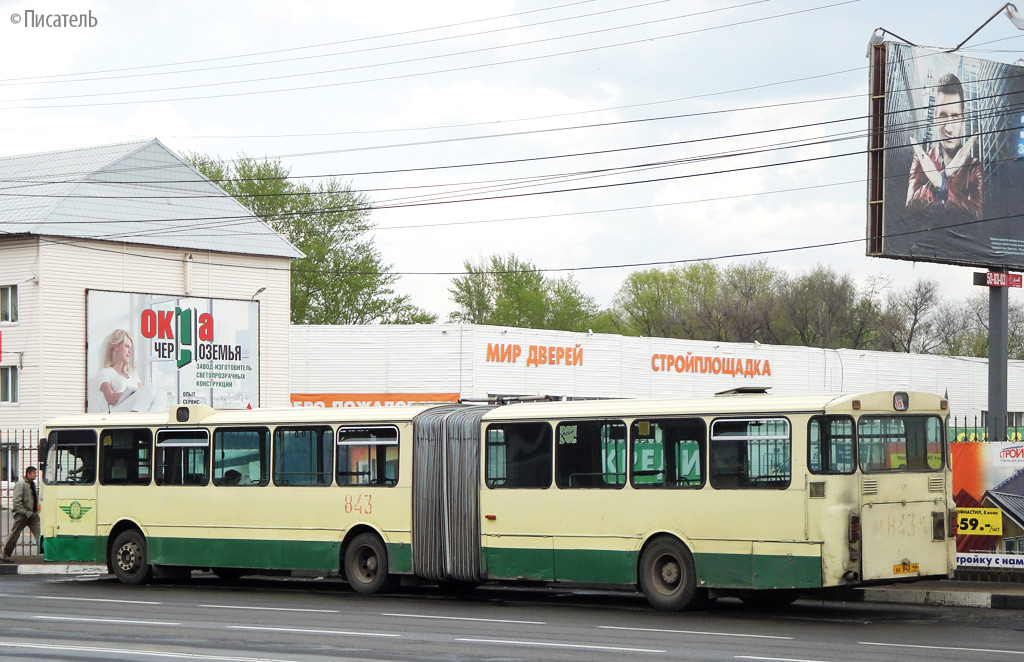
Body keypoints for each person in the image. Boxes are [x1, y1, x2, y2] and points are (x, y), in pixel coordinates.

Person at [906, 72, 983, 221]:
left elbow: (977, 216)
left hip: (961, 244)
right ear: (935, 116)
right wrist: (947, 173)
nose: (948, 128)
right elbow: (910, 206)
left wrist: (940, 182)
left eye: (954, 116)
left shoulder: (974, 167)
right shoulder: (921, 159)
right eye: (943, 115)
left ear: (963, 118)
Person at [97, 329, 165, 412]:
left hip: (133, 408)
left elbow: (144, 396)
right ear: (116, 346)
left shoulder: (133, 375)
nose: (130, 352)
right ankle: (136, 419)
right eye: (127, 346)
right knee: (150, 387)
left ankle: (150, 422)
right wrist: (129, 395)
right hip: (117, 410)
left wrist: (135, 395)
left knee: (161, 394)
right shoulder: (106, 372)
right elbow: (110, 398)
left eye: (131, 348)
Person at [2, 466, 40, 562]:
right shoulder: (21, 484)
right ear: (28, 474)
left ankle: (47, 554)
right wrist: (25, 512)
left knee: (40, 534)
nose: (35, 475)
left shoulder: (32, 484)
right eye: (34, 473)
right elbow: (16, 501)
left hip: (33, 515)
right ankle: (4, 555)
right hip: (23, 515)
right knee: (14, 535)